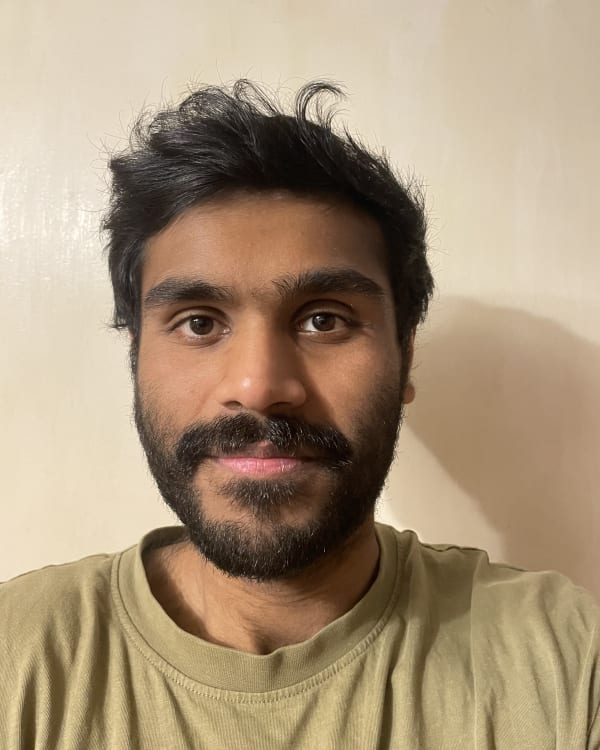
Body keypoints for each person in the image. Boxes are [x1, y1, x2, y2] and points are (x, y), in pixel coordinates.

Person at [1, 80, 598, 749]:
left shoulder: (568, 661)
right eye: (199, 323)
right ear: (136, 357)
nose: (259, 388)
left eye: (324, 320)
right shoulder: (17, 656)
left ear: (405, 357)